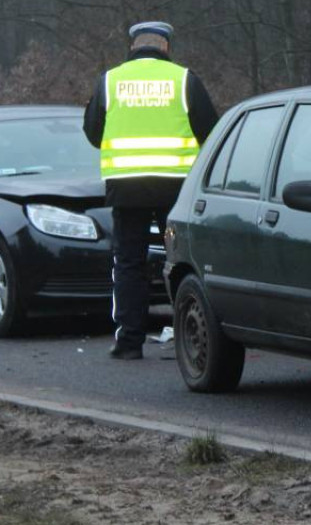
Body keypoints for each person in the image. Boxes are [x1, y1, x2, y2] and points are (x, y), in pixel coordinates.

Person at [83, 22, 218, 360]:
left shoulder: (110, 81)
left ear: (132, 46)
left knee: (129, 263)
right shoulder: (183, 80)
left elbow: (92, 130)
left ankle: (130, 342)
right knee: (182, 261)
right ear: (165, 46)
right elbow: (211, 131)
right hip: (176, 187)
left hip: (126, 188)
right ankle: (190, 338)